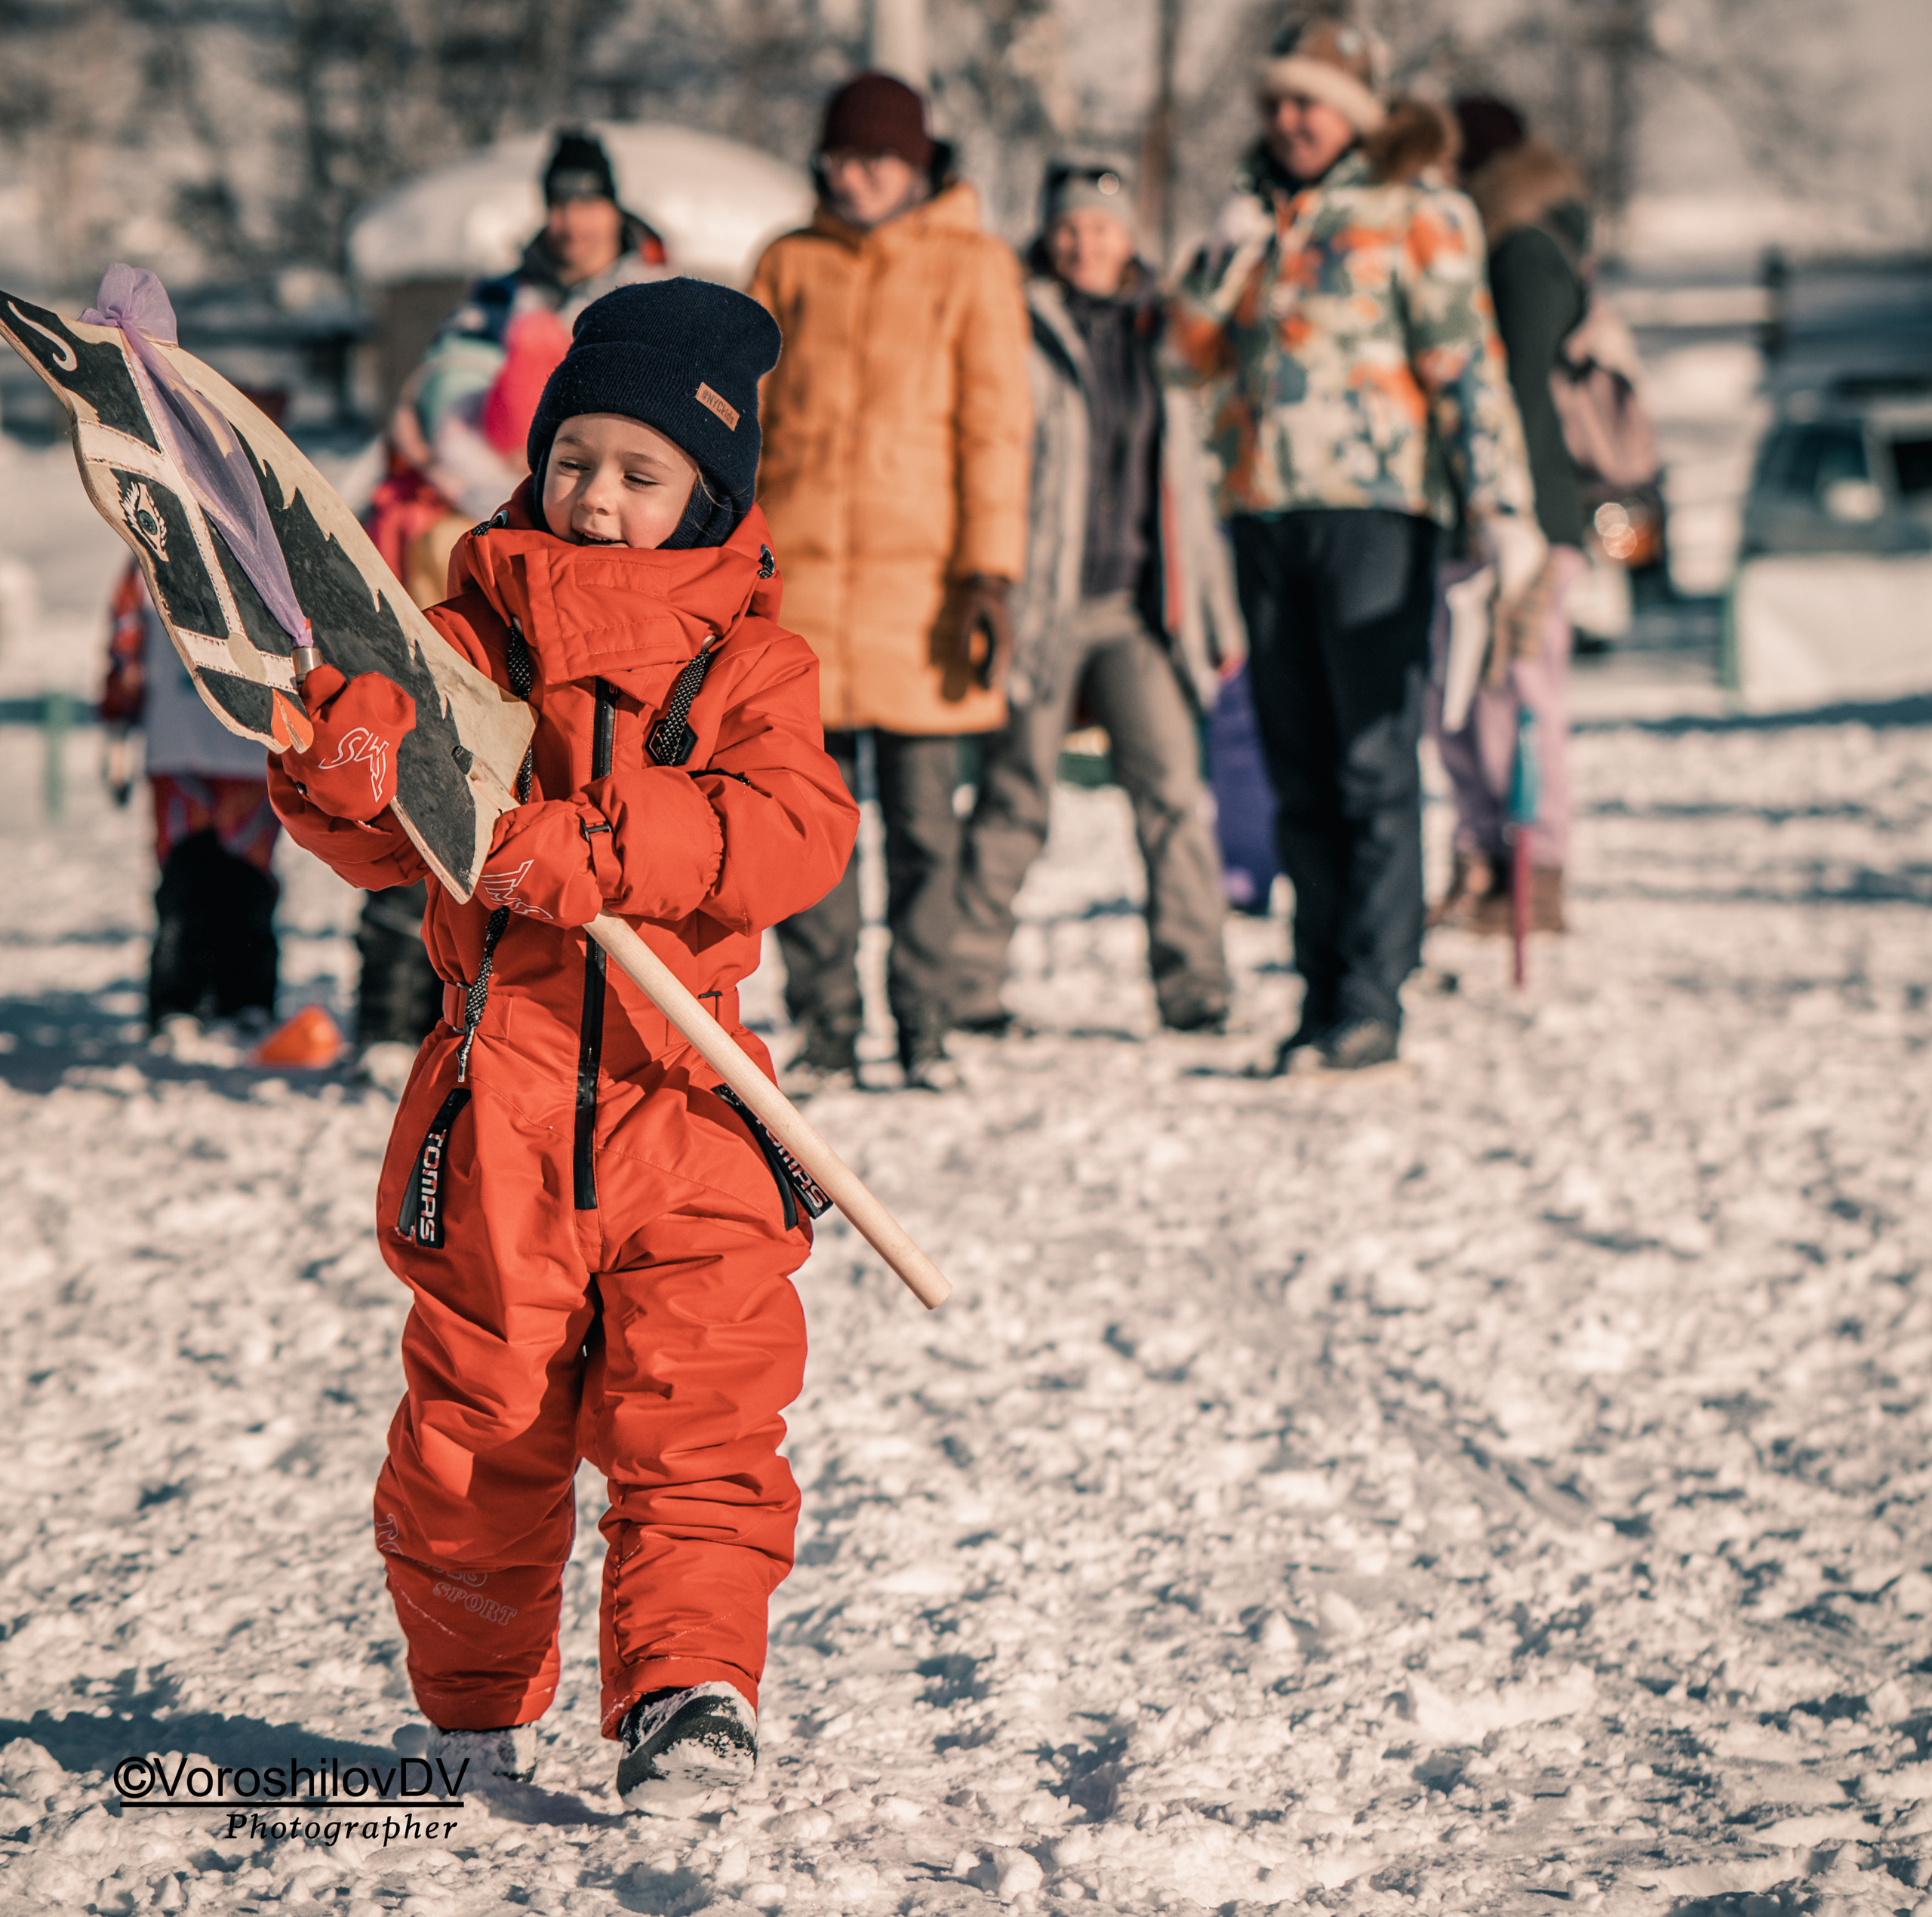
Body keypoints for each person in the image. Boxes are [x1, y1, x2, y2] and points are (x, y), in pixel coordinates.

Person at [267, 280, 859, 1814]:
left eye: (640, 471)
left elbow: (794, 830)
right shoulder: (467, 642)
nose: (596, 495)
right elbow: (393, 837)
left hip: (691, 1104)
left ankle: (690, 1692)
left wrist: (610, 842)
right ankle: (469, 1703)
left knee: (703, 1414)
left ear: (708, 495)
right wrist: (344, 779)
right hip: (500, 1107)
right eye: (574, 456)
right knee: (479, 1427)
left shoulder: (752, 664)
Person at [1164, 19, 1541, 1075]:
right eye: (1276, 102)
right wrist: (1220, 257)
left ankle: (1373, 993)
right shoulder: (1257, 218)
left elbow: (1467, 363)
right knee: (1296, 763)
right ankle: (1320, 989)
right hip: (1264, 515)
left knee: (1371, 761)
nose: (1288, 121)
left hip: (1378, 513)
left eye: (1310, 102)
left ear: (1358, 113)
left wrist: (1504, 510)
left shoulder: (1418, 213)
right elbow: (1181, 360)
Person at [355, 130, 669, 1091]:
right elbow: (439, 404)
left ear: (614, 206)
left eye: (589, 201)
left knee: (590, 794)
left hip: (625, 586)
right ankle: (397, 1002)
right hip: (507, 556)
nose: (573, 220)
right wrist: (519, 500)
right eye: (560, 201)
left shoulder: (657, 303)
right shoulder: (499, 305)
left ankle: (601, 1014)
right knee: (440, 768)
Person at [749, 72, 1032, 1091]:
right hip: (806, 598)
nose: (855, 175)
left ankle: (926, 1024)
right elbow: (744, 428)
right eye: (841, 157)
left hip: (927, 603)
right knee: (808, 826)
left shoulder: (975, 266)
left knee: (923, 829)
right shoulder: (787, 265)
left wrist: (991, 575)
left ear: (917, 165)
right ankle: (826, 1027)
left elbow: (997, 433)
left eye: (877, 158)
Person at [951, 158, 1240, 1037]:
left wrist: (1216, 615)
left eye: (1103, 228)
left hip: (1141, 607)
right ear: (1050, 232)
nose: (1085, 243)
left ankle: (1196, 983)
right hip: (1044, 600)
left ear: (1129, 238)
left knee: (1173, 794)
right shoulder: (1014, 319)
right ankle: (964, 983)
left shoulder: (1164, 329)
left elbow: (1196, 478)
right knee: (1016, 795)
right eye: (1070, 227)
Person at [1427, 97, 1592, 934]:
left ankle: (1537, 869)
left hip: (1521, 516)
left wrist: (1503, 514)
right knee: (1457, 701)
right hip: (1469, 513)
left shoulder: (1522, 251)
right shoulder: (1483, 248)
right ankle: (1482, 859)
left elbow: (1516, 393)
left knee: (1517, 695)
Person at [100, 558, 281, 1036]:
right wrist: (118, 731)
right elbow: (125, 643)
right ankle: (182, 1000)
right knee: (187, 879)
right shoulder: (148, 542)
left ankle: (245, 999)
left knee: (245, 882)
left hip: (249, 750)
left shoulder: (266, 542)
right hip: (185, 747)